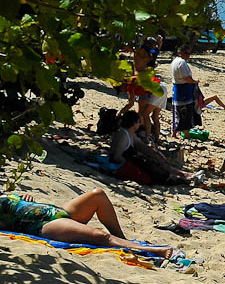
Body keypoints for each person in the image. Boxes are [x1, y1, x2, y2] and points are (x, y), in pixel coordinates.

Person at [0, 188, 174, 259]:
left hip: (54, 210)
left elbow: (13, 199)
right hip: (42, 224)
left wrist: (22, 196)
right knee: (100, 235)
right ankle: (149, 250)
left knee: (98, 194)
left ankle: (124, 240)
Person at [110, 111, 195, 185]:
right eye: (138, 122)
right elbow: (116, 156)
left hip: (131, 159)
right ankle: (180, 177)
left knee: (155, 157)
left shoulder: (130, 133)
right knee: (149, 164)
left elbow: (141, 146)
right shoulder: (123, 135)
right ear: (134, 123)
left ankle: (183, 174)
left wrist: (156, 154)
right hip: (124, 164)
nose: (140, 124)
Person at [170, 44, 201, 136]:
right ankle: (186, 135)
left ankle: (174, 133)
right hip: (184, 91)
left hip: (177, 90)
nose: (188, 55)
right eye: (186, 53)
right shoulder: (181, 63)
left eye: (189, 53)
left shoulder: (174, 61)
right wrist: (194, 82)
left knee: (177, 112)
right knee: (186, 113)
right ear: (180, 53)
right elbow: (186, 78)